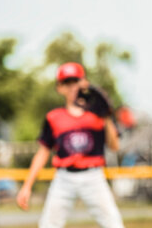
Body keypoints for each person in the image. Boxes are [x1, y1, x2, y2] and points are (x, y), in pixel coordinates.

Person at [16, 62, 124, 228]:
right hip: (64, 178)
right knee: (48, 224)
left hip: (93, 176)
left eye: (76, 81)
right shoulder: (54, 117)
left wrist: (107, 117)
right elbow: (43, 152)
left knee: (113, 223)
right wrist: (27, 186)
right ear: (59, 87)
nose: (72, 86)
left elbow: (115, 146)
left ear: (84, 83)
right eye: (67, 83)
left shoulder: (97, 114)